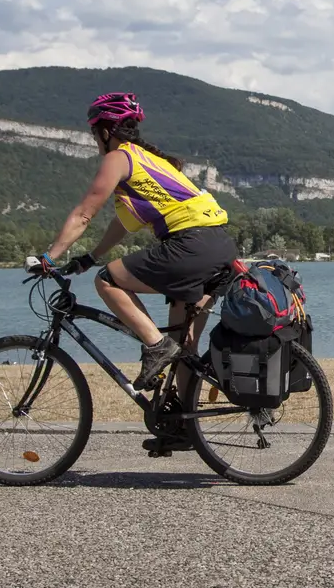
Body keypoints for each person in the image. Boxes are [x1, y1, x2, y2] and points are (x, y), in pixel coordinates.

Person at [41, 92, 237, 391]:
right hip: (219, 246)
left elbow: (83, 214)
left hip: (189, 245)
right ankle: (182, 430)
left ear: (106, 132)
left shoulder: (119, 158)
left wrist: (49, 257)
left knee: (107, 281)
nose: (95, 140)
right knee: (183, 346)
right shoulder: (151, 161)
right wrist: (91, 256)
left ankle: (155, 345)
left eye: (95, 133)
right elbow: (123, 223)